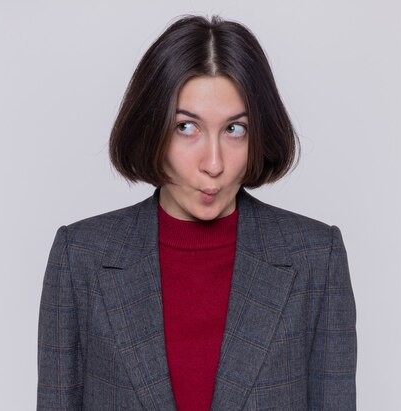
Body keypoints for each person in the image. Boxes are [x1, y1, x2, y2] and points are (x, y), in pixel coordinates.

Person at [37, 15, 356, 411]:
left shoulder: (315, 259)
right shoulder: (80, 257)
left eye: (234, 129)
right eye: (187, 127)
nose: (214, 163)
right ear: (151, 127)